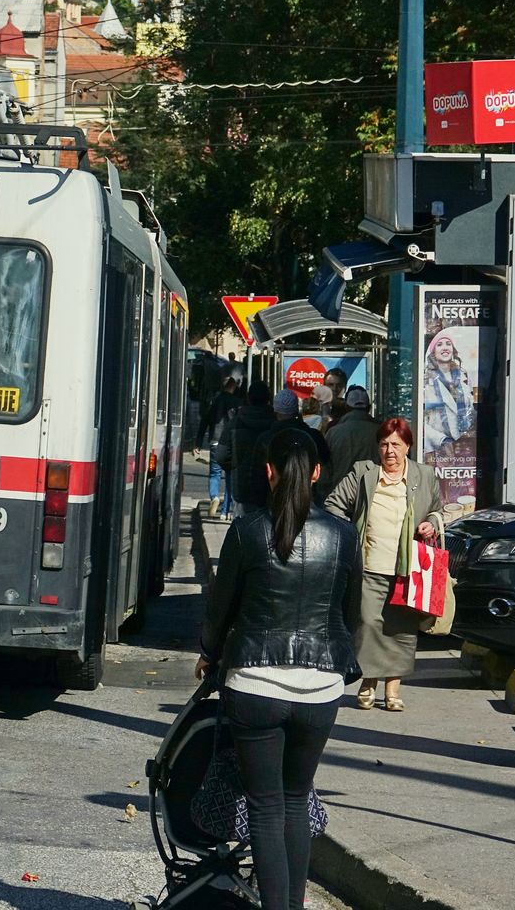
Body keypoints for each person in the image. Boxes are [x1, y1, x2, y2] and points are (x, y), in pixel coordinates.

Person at [197, 429, 361, 910]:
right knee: (295, 800)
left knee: (265, 806)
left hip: (254, 683)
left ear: (268, 472)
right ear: (315, 472)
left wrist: (210, 652)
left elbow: (220, 610)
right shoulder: (343, 535)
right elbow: (350, 616)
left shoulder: (247, 532)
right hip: (321, 688)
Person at [324, 416, 443, 713]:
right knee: (368, 624)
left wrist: (431, 523)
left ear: (408, 446)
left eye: (396, 445)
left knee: (400, 629)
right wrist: (349, 535)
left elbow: (438, 511)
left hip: (408, 570)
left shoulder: (424, 475)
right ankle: (368, 682)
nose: (390, 451)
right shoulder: (364, 473)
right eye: (384, 444)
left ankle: (393, 689)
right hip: (369, 567)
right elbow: (333, 505)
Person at [220, 381, 278, 518]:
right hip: (270, 487)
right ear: (269, 399)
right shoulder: (276, 424)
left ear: (248, 398)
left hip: (242, 486)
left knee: (243, 530)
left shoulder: (235, 423)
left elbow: (221, 456)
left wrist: (235, 466)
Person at [421, 329, 475, 459]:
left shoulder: (463, 377)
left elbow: (470, 409)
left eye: (448, 344)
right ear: (433, 351)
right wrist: (442, 440)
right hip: (438, 449)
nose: (445, 348)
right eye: (439, 345)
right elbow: (420, 422)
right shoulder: (425, 381)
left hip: (464, 447)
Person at [322, 386, 378, 493]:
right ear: (369, 408)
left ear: (346, 407)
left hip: (339, 493)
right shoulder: (380, 432)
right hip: (372, 493)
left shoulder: (333, 432)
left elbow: (325, 470)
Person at [203, 376, 241, 516]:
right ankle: (225, 512)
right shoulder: (236, 402)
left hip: (215, 440)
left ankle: (214, 497)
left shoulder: (214, 400)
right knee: (230, 476)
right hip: (230, 442)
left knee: (214, 473)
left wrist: (198, 441)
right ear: (233, 386)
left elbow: (205, 420)